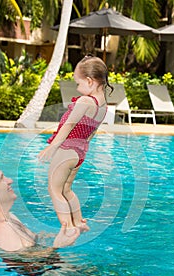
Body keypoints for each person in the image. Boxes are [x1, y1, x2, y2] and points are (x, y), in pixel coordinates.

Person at [38, 55, 113, 235]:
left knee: (54, 189)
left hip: (67, 149)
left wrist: (53, 146)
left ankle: (68, 227)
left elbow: (69, 125)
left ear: (89, 81)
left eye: (78, 84)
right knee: (66, 189)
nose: (78, 89)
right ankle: (78, 222)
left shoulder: (85, 101)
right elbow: (92, 132)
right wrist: (82, 147)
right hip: (80, 151)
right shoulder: (103, 106)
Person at [0, 163, 80, 252]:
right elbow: (26, 266)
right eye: (2, 179)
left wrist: (69, 232)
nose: (10, 181)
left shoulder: (8, 217)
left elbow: (35, 239)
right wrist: (58, 245)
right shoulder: (0, 231)